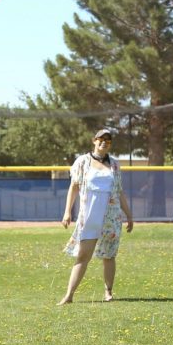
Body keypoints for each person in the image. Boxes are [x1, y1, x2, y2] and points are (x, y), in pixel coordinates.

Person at [58, 129, 134, 305]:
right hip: (89, 216)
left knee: (109, 255)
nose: (104, 142)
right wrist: (67, 211)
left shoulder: (115, 164)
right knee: (83, 256)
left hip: (111, 217)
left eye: (108, 140)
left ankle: (108, 292)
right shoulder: (82, 162)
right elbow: (74, 187)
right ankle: (69, 295)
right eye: (101, 139)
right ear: (94, 141)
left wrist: (129, 215)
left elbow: (119, 191)